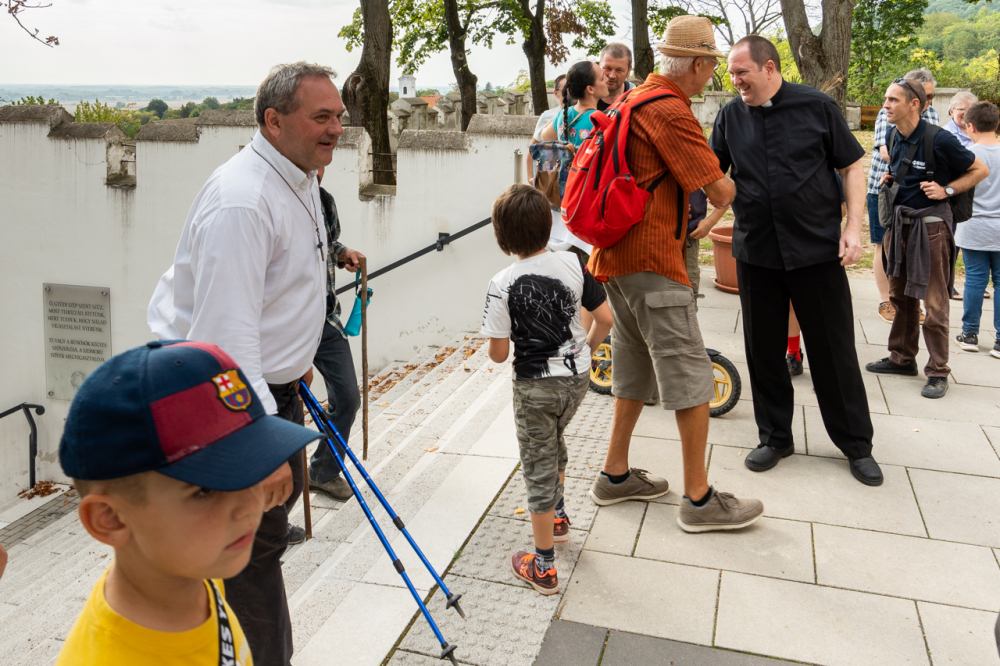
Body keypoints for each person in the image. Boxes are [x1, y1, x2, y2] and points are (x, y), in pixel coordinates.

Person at [147, 62, 343, 666]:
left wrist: (296, 358)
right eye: (322, 117)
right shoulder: (244, 201)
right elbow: (223, 342)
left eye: (339, 116)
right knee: (249, 556)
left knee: (259, 542)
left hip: (267, 390)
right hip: (226, 403)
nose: (337, 128)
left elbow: (278, 290)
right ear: (274, 121)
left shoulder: (297, 173)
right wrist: (257, 444)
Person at [588, 15, 763, 532]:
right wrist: (738, 184)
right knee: (689, 374)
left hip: (615, 258)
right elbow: (718, 189)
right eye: (711, 66)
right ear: (698, 63)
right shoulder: (670, 109)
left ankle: (614, 476)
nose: (712, 76)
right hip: (653, 262)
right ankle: (699, 500)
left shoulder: (633, 98)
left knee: (633, 364)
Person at [55, 341, 322, 666]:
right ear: (110, 518)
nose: (248, 504)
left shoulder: (197, 573)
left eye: (249, 469)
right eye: (204, 491)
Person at [710, 35, 884, 485]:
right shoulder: (730, 116)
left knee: (833, 351)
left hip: (816, 251)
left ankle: (856, 445)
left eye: (742, 72)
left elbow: (851, 166)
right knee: (763, 350)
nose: (735, 80)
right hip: (756, 251)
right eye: (731, 73)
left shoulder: (817, 107)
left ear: (769, 68)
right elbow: (713, 176)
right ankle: (775, 438)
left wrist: (853, 229)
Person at [481, 184, 613, 595]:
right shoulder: (574, 262)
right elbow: (605, 319)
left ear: (502, 236)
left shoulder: (501, 283)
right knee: (554, 444)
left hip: (535, 389)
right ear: (547, 224)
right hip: (577, 382)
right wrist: (584, 353)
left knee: (537, 468)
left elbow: (499, 355)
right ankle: (558, 518)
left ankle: (543, 568)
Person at [866, 79, 987, 398]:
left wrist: (947, 189)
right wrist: (891, 178)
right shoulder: (893, 134)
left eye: (893, 100)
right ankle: (902, 358)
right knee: (900, 296)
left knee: (934, 302)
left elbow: (979, 170)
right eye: (886, 99)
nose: (886, 105)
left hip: (932, 228)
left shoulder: (940, 139)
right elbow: (903, 172)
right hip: (900, 226)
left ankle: (938, 371)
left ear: (914, 104)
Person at [306, 167, 365, 504]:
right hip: (288, 325)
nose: (317, 170)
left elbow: (329, 244)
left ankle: (322, 472)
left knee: (347, 398)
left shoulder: (324, 200)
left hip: (326, 318)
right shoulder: (275, 200)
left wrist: (343, 254)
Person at [867, 69, 939, 323]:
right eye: (924, 95)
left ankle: (909, 304)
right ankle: (886, 300)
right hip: (885, 191)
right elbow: (887, 151)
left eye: (931, 96)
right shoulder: (888, 111)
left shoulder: (931, 113)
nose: (928, 100)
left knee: (912, 249)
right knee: (883, 245)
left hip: (917, 194)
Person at [954, 101, 1000, 359]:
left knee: (974, 278)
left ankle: (969, 333)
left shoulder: (968, 154)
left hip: (974, 225)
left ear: (970, 126)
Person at [685, 188, 729, 297]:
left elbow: (725, 192)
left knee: (687, 287)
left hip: (687, 238)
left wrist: (710, 221)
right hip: (651, 234)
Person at [527, 74, 566, 183]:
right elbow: (533, 148)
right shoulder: (547, 116)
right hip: (551, 178)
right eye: (565, 90)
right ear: (556, 93)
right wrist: (530, 178)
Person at [596, 43, 635, 112]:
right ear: (599, 66)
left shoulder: (639, 96)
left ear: (629, 71)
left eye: (619, 70)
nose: (612, 76)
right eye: (607, 68)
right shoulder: (584, 96)